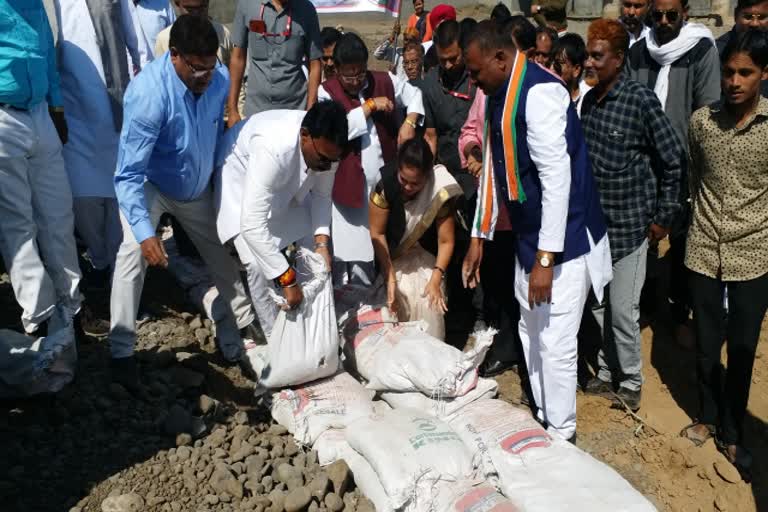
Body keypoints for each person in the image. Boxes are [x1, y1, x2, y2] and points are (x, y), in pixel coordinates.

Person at [462, 20, 611, 441]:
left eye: (475, 72)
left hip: (564, 241)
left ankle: (562, 433)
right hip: (529, 236)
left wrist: (547, 257)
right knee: (531, 330)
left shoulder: (540, 92)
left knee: (557, 342)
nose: (472, 80)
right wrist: (479, 235)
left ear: (500, 58)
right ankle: (546, 417)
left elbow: (556, 177)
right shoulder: (498, 93)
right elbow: (493, 169)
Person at [111, 16, 257, 387]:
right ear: (174, 55)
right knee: (130, 253)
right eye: (197, 68)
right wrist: (146, 233)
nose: (207, 76)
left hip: (195, 190)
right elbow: (127, 175)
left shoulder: (218, 78)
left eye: (211, 66)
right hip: (151, 184)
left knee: (223, 256)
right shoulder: (148, 96)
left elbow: (217, 135)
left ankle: (241, 334)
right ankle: (122, 350)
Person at [580, 19, 684, 412]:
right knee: (600, 307)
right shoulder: (588, 103)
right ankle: (607, 374)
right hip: (595, 231)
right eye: (588, 54)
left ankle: (632, 383)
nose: (589, 62)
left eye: (597, 55)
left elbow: (673, 159)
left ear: (619, 59)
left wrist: (662, 218)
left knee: (623, 311)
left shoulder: (640, 101)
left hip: (632, 229)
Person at [680, 29, 768, 483]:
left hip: (754, 253)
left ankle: (734, 431)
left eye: (745, 73)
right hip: (703, 249)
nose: (734, 81)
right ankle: (707, 415)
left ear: (763, 74)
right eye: (729, 72)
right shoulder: (701, 122)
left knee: (743, 347)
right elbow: (693, 176)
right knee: (706, 345)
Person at [627, 0, 720, 347]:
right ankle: (645, 307)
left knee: (682, 241)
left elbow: (707, 109)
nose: (664, 22)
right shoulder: (639, 52)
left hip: (683, 163)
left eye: (671, 15)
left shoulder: (699, 50)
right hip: (641, 163)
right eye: (658, 16)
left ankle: (681, 313)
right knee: (642, 240)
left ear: (685, 13)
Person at [215, 102, 348, 335]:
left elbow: (322, 196)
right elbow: (252, 225)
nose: (327, 166)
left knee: (313, 247)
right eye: (324, 159)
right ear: (305, 136)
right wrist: (287, 279)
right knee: (256, 262)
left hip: (281, 177)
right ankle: (274, 334)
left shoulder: (328, 151)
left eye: (332, 161)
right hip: (239, 173)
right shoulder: (273, 147)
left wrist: (321, 243)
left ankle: (310, 316)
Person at [458, 14, 538, 378]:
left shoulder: (536, 93)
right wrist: (474, 151)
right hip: (495, 211)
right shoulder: (487, 93)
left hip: (529, 214)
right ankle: (504, 346)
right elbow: (473, 134)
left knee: (528, 287)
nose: (473, 81)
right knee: (500, 282)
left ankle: (526, 352)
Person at [0, 0, 82, 336]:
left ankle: (72, 306)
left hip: (39, 114)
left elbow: (47, 55)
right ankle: (39, 316)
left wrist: (57, 109)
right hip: (4, 117)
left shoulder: (34, 4)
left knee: (58, 215)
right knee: (18, 224)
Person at [318, 33, 424, 288]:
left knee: (384, 246)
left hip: (384, 185)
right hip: (348, 189)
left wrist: (409, 121)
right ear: (336, 69)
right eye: (348, 76)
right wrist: (368, 107)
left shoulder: (384, 80)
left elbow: (415, 96)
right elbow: (336, 131)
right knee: (352, 255)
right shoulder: (326, 91)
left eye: (360, 74)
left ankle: (380, 302)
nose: (355, 81)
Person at [54, 0, 140, 304]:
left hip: (116, 106)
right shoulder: (54, 3)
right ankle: (100, 260)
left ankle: (122, 275)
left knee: (120, 197)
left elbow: (135, 41)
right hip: (74, 112)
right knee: (83, 198)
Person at [369, 139, 462, 339]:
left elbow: (446, 241)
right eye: (404, 180)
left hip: (426, 253)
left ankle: (429, 355)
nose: (409, 187)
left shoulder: (439, 187)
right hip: (392, 256)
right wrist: (390, 276)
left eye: (416, 183)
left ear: (427, 176)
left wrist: (436, 277)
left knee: (426, 294)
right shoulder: (385, 183)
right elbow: (377, 233)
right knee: (400, 291)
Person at [421, 19, 478, 347]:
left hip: (475, 177)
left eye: (454, 58)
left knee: (475, 245)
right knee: (445, 244)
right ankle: (447, 315)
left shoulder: (477, 79)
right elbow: (430, 135)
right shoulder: (430, 85)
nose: (448, 65)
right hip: (445, 175)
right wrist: (432, 176)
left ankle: (477, 314)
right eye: (442, 60)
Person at [227, 0, 322, 122]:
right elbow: (238, 58)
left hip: (294, 111)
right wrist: (232, 110)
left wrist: (311, 111)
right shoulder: (247, 4)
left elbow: (315, 64)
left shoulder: (306, 10)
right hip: (256, 110)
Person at [154, 0, 233, 65]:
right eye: (189, 9)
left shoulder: (223, 34)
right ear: (177, 3)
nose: (196, 14)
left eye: (201, 8)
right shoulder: (164, 38)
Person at [716, 0, 768, 97]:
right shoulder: (717, 51)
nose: (754, 24)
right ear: (736, 16)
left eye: (762, 17)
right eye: (748, 17)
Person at [127, 0, 176, 68]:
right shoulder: (116, 9)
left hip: (161, 72)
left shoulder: (163, 4)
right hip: (128, 75)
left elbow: (175, 40)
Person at [555, 33, 590, 116]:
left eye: (560, 63)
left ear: (576, 69)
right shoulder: (548, 94)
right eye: (553, 62)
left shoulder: (589, 100)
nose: (553, 68)